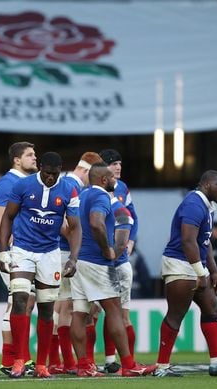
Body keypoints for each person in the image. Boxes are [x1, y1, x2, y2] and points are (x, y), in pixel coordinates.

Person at [154, 170, 217, 377]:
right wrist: (200, 272)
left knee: (211, 307)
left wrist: (213, 270)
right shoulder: (194, 204)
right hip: (179, 263)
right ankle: (161, 367)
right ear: (206, 185)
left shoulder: (207, 205)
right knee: (176, 314)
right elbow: (187, 240)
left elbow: (204, 241)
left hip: (194, 264)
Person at [0, 151, 81, 379]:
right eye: (47, 173)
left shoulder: (69, 190)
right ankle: (19, 360)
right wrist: (4, 250)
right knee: (20, 298)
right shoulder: (23, 185)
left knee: (46, 308)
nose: (50, 178)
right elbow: (8, 217)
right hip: (23, 250)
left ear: (60, 170)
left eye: (55, 174)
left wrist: (73, 258)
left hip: (50, 254)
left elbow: (75, 227)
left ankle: (42, 365)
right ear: (40, 168)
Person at [70, 163, 154, 377]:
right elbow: (97, 222)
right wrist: (107, 249)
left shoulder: (82, 196)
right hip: (97, 262)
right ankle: (128, 365)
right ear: (104, 180)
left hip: (79, 260)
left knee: (79, 314)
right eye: (111, 177)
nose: (115, 180)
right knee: (115, 310)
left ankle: (83, 367)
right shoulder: (101, 197)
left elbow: (71, 224)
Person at [49, 151, 102, 375]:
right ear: (86, 171)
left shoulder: (65, 182)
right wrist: (76, 246)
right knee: (70, 306)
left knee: (60, 306)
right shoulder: (72, 186)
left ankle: (58, 360)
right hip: (64, 253)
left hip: (57, 252)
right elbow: (61, 221)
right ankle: (71, 362)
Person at [0, 141, 37, 375]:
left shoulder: (29, 183)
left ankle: (16, 359)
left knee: (25, 303)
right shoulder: (6, 184)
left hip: (29, 252)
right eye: (30, 155)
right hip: (15, 252)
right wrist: (10, 251)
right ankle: (11, 359)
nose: (35, 158)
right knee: (18, 302)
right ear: (17, 160)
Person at [98, 148, 139, 372]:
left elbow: (133, 216)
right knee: (93, 313)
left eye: (120, 163)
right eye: (114, 164)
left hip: (120, 259)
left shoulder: (122, 188)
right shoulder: (93, 190)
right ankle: (92, 361)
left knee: (121, 313)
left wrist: (131, 239)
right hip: (98, 260)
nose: (118, 167)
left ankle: (119, 362)